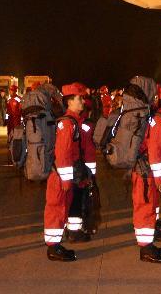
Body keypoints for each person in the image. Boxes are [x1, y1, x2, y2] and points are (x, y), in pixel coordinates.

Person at [43, 83, 88, 261]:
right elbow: (63, 154)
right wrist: (67, 180)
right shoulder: (67, 123)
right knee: (56, 209)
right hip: (60, 177)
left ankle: (56, 245)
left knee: (61, 209)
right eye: (80, 98)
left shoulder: (72, 121)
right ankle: (53, 248)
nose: (83, 101)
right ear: (70, 101)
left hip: (63, 176)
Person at [132, 84, 161, 263]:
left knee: (149, 206)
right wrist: (159, 176)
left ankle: (148, 245)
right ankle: (145, 250)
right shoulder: (159, 121)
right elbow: (155, 150)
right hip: (147, 172)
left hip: (148, 170)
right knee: (145, 208)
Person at [67, 84, 98, 241]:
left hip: (78, 169)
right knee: (77, 199)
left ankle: (76, 229)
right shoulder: (77, 124)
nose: (82, 103)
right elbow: (86, 150)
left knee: (78, 199)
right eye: (80, 99)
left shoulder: (77, 123)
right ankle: (74, 232)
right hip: (78, 170)